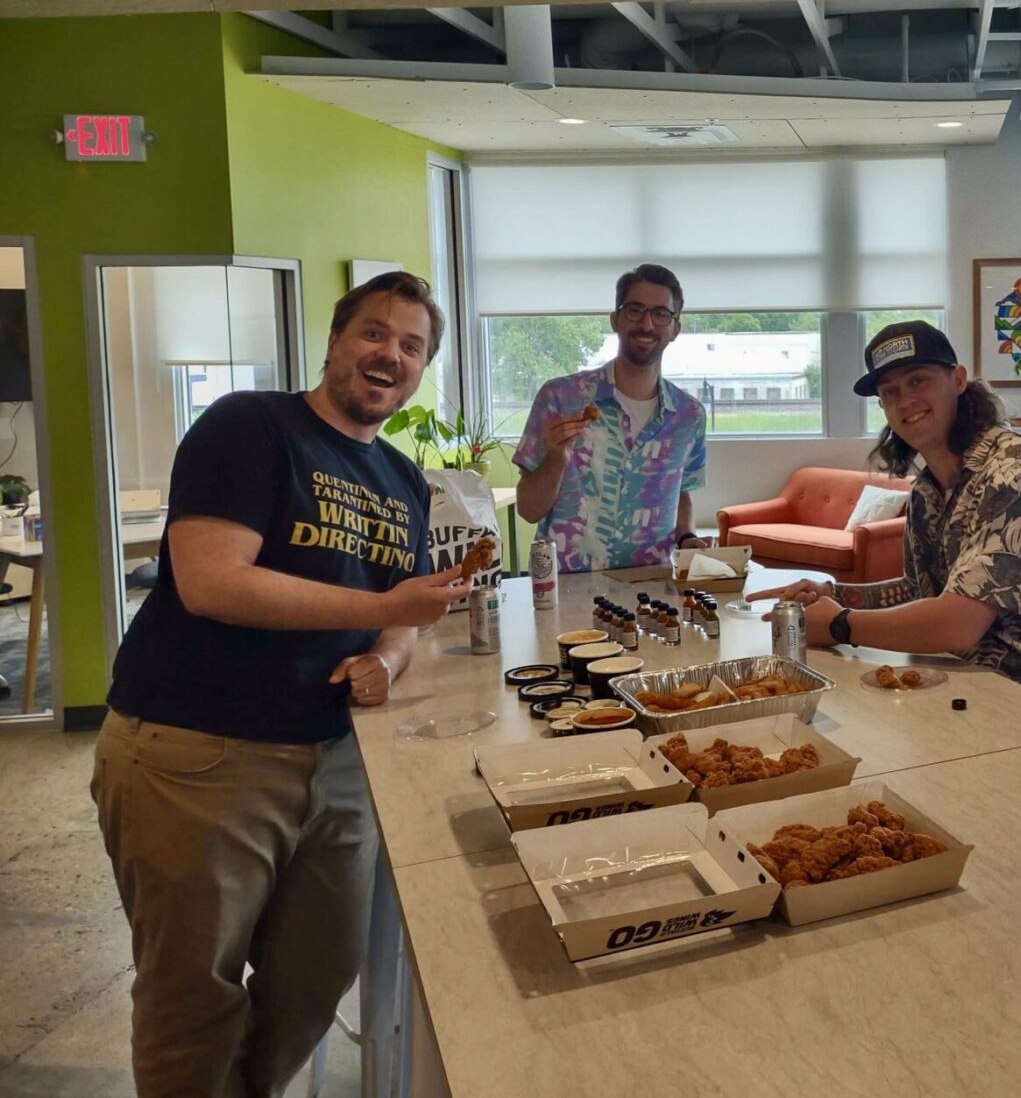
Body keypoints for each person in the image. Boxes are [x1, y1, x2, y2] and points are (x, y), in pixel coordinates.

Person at [92, 271, 472, 1096]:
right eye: (374, 332)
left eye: (412, 345)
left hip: (334, 758)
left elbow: (405, 612)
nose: (391, 354)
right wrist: (386, 607)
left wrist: (387, 656)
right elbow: (211, 581)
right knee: (192, 993)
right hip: (199, 752)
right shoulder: (251, 425)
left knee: (314, 978)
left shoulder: (404, 479)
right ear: (335, 342)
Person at [750, 321, 1021, 710]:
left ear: (958, 380)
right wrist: (833, 594)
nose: (905, 401)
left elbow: (958, 624)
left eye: (918, 381)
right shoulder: (928, 490)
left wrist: (840, 624)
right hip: (978, 693)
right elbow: (920, 592)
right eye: (890, 392)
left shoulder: (1019, 470)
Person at [513, 263, 708, 572]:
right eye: (635, 310)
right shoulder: (561, 399)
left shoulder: (689, 416)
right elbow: (527, 510)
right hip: (569, 585)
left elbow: (682, 491)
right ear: (615, 319)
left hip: (652, 585)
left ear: (675, 328)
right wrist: (555, 460)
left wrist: (687, 538)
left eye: (661, 314)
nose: (647, 323)